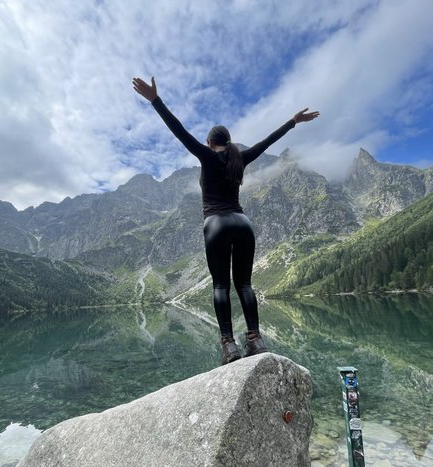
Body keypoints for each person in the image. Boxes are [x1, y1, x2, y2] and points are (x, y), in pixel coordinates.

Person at [132, 76, 319, 365]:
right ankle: (255, 340)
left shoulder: (206, 156)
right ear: (228, 142)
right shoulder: (239, 158)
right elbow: (267, 141)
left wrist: (156, 100)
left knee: (221, 286)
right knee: (244, 284)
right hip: (242, 223)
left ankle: (229, 346)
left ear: (209, 142)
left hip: (216, 224)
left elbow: (178, 130)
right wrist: (292, 121)